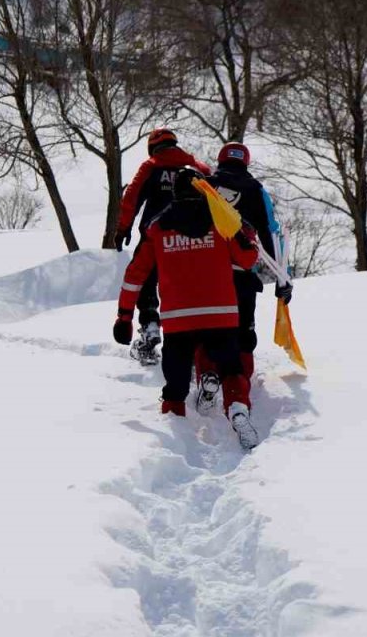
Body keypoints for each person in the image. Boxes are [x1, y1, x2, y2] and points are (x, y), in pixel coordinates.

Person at [112, 168, 261, 449]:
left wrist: (125, 316)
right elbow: (248, 258)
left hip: (178, 320)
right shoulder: (221, 221)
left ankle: (175, 443)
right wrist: (247, 233)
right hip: (222, 315)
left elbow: (135, 275)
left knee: (176, 387)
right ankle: (238, 408)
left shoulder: (157, 226)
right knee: (231, 369)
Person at [195, 142, 292, 382]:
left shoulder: (205, 186)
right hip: (242, 273)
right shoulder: (256, 191)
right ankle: (241, 384)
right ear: (245, 162)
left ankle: (206, 374)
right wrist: (283, 278)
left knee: (206, 328)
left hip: (206, 273)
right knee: (243, 330)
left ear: (220, 160)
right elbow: (271, 233)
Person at [114, 128, 212, 364]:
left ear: (152, 147)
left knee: (146, 280)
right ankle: (195, 343)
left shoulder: (151, 166)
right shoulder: (198, 168)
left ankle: (149, 326)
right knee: (188, 288)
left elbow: (131, 198)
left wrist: (122, 229)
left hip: (155, 237)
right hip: (195, 240)